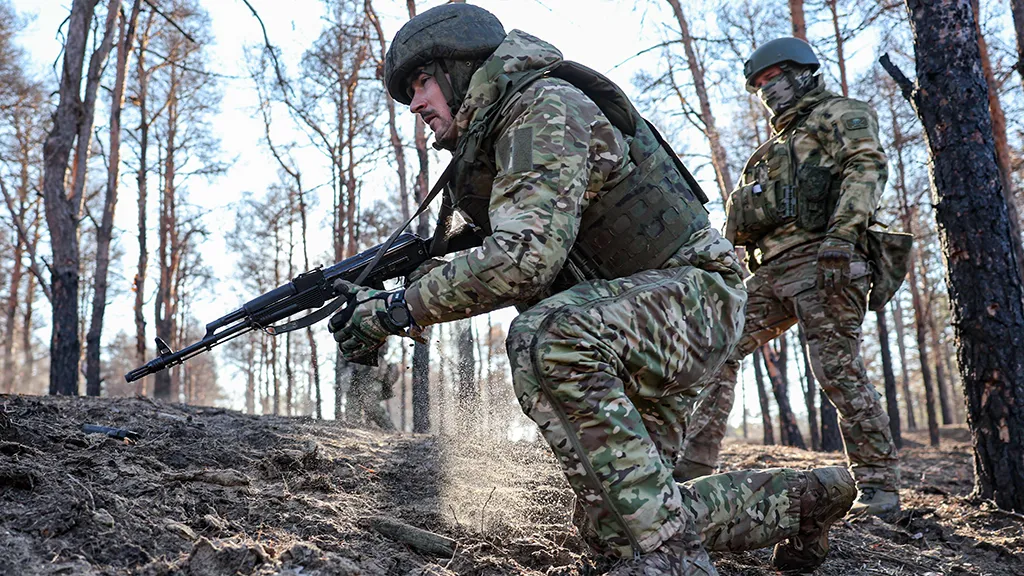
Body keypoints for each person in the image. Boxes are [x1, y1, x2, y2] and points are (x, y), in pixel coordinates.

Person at [329, 6, 855, 574]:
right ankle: (808, 500)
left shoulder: (543, 108)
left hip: (694, 297)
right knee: (618, 522)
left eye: (421, 83)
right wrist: (395, 304)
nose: (415, 105)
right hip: (643, 317)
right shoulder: (496, 144)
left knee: (545, 337)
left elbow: (521, 262)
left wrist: (394, 311)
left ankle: (672, 560)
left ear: (457, 69)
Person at [680, 37, 900, 519]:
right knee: (719, 347)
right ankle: (691, 467)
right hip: (771, 271)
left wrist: (842, 238)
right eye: (759, 85)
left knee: (836, 369)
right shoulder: (769, 151)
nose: (767, 90)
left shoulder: (838, 114)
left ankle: (880, 488)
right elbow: (739, 220)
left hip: (827, 260)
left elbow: (866, 166)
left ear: (803, 72)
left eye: (773, 78)